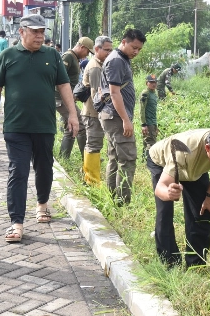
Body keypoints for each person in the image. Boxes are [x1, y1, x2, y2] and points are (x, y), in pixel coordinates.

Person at [0, 14, 78, 243]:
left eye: (42, 32)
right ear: (21, 31)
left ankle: (42, 203)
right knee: (18, 171)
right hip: (16, 125)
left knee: (44, 167)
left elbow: (64, 85)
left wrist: (73, 114)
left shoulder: (52, 55)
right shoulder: (7, 56)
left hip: (44, 124)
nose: (39, 36)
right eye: (34, 31)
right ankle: (16, 222)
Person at [147, 122, 210, 267]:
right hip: (163, 162)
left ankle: (196, 263)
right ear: (208, 148)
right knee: (165, 212)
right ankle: (170, 263)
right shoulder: (182, 153)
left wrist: (209, 196)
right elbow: (160, 188)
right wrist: (169, 193)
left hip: (195, 169)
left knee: (203, 212)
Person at [99, 29, 147, 205]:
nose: (136, 52)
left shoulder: (120, 59)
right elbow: (114, 93)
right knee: (127, 159)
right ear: (124, 42)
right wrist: (126, 120)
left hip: (113, 116)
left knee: (114, 158)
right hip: (117, 117)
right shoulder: (117, 61)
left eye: (139, 49)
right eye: (134, 47)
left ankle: (113, 199)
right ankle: (122, 202)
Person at [81, 35, 113, 184]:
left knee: (94, 144)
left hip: (94, 112)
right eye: (106, 50)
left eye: (110, 50)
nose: (109, 53)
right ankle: (91, 181)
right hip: (93, 113)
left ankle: (90, 178)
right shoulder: (95, 67)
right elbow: (96, 95)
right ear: (96, 49)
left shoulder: (101, 64)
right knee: (93, 145)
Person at [58, 37, 92, 159]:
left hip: (67, 98)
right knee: (80, 124)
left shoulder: (74, 57)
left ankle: (64, 157)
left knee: (71, 126)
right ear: (82, 47)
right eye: (87, 51)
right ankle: (88, 157)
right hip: (61, 98)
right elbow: (58, 77)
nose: (87, 55)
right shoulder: (68, 57)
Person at [140, 74, 159, 159]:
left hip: (153, 122)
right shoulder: (145, 93)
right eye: (151, 82)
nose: (153, 84)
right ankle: (149, 161)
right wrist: (144, 124)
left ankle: (145, 160)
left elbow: (153, 111)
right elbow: (142, 109)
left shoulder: (154, 94)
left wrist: (155, 125)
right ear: (146, 83)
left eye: (155, 82)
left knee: (148, 142)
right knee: (151, 143)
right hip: (148, 123)